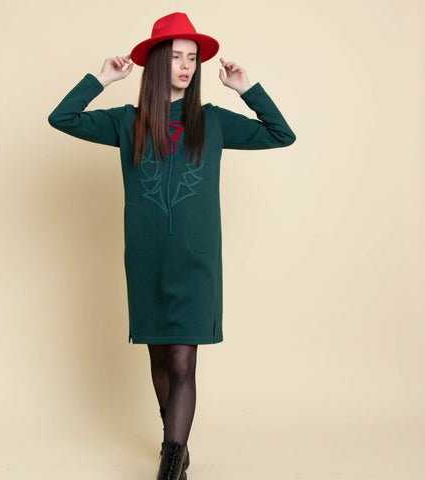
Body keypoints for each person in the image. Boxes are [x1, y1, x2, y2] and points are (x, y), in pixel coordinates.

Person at [48, 11, 296, 480]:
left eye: (192, 58)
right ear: (158, 63)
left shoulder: (213, 121)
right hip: (146, 261)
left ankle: (169, 462)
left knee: (183, 359)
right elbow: (62, 118)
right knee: (159, 357)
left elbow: (281, 134)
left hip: (196, 261)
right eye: (177, 57)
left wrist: (247, 90)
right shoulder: (127, 122)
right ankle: (177, 451)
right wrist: (101, 79)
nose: (186, 66)